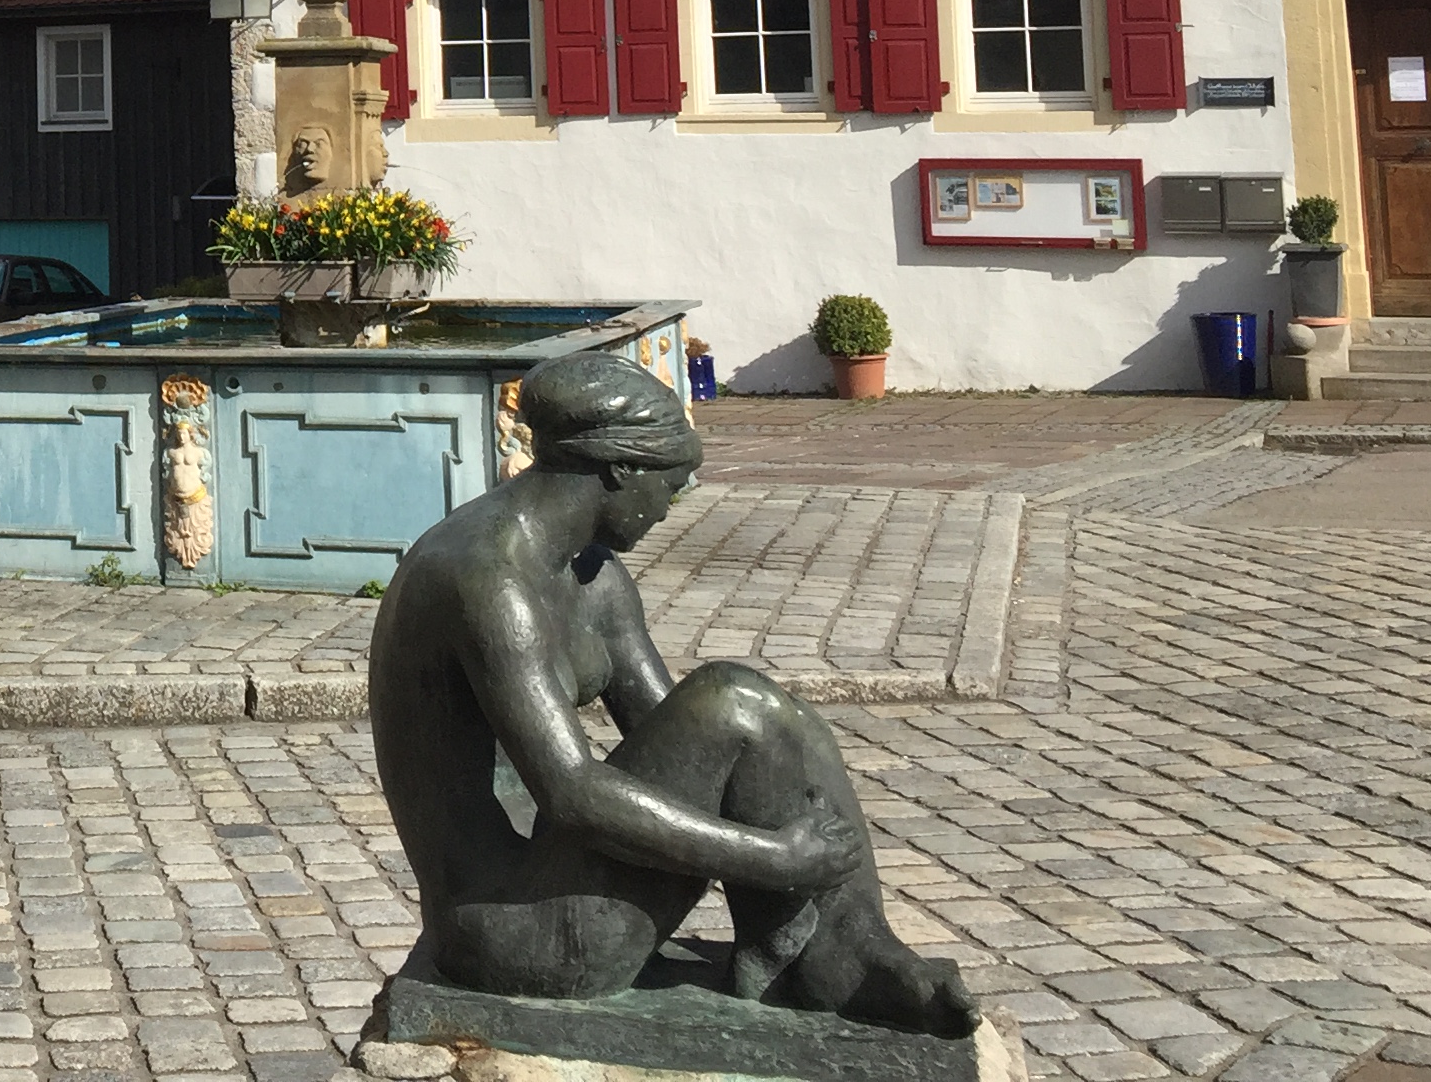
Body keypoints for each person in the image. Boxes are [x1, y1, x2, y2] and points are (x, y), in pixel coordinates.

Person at [368, 352, 978, 1036]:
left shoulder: (593, 577)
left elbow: (683, 738)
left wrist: (778, 787)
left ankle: (852, 953)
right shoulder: (486, 581)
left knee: (759, 710)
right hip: (511, 930)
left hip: (563, 880)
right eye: (670, 485)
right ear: (620, 469)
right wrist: (774, 859)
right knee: (734, 699)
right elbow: (572, 794)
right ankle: (834, 963)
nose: (669, 507)